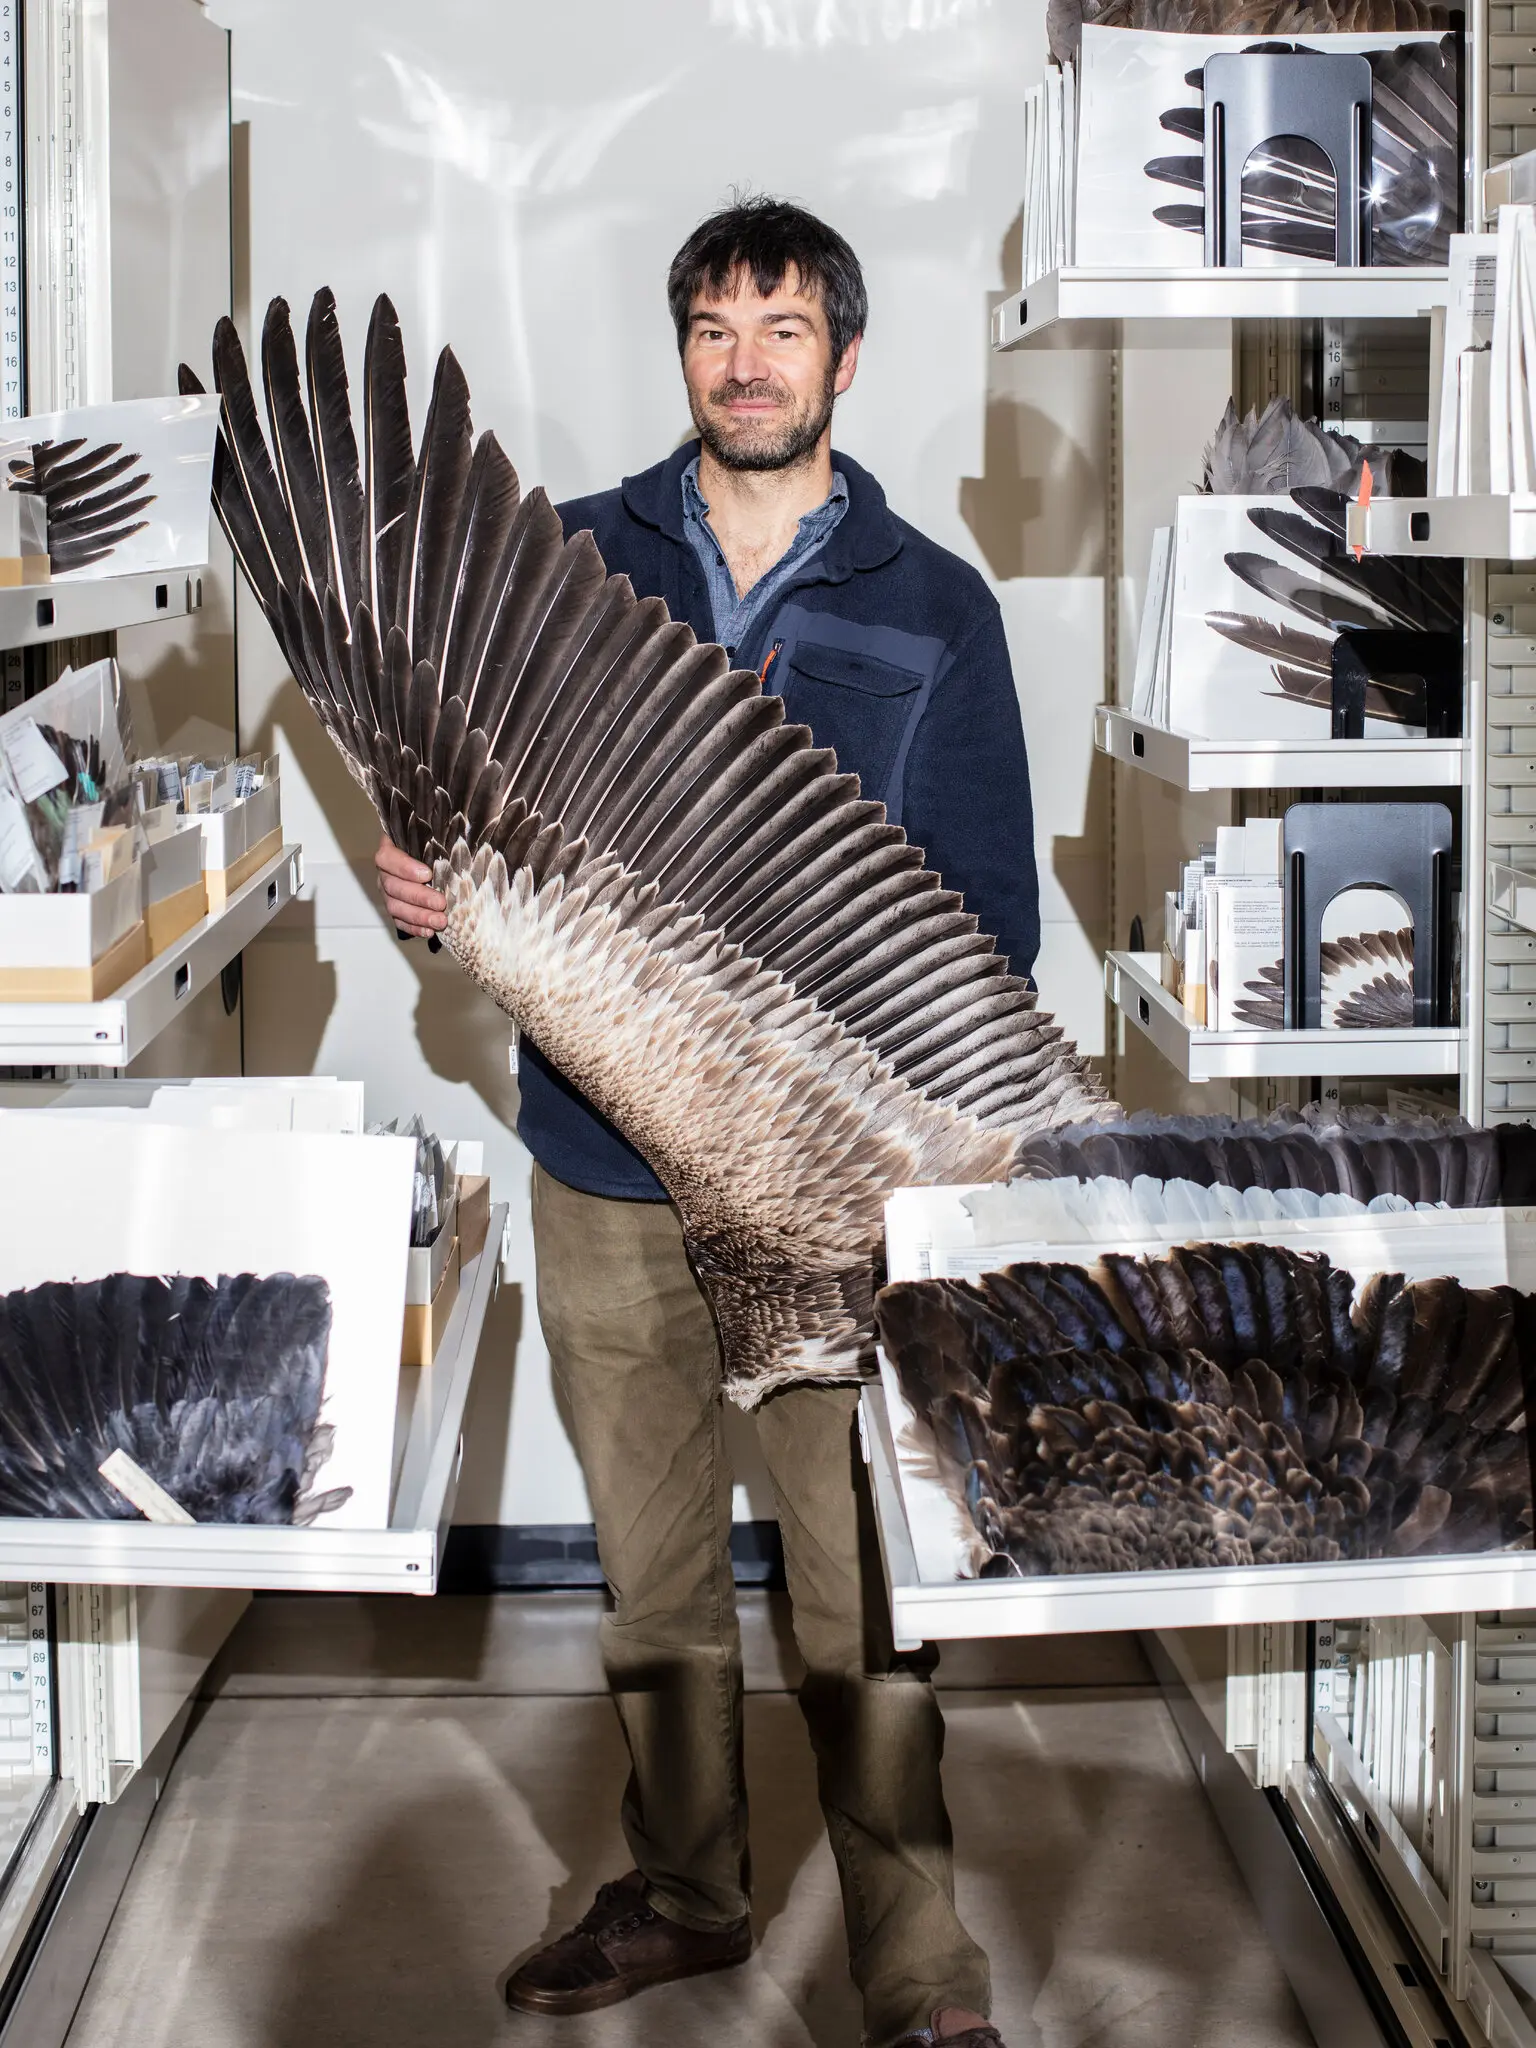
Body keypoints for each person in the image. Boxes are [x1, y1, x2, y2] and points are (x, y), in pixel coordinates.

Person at [377, 197, 1037, 2048]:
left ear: (844, 353)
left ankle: (918, 1972)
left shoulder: (932, 603)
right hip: (599, 1169)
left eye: (783, 327)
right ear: (683, 355)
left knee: (861, 1604)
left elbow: (986, 922)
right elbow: (453, 823)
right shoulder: (573, 566)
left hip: (833, 1207)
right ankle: (686, 1894)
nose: (746, 361)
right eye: (715, 330)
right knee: (655, 1589)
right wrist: (438, 889)